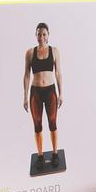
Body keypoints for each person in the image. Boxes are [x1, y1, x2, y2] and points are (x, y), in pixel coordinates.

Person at [23, 23, 63, 169]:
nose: (41, 37)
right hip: (36, 92)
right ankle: (40, 155)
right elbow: (26, 75)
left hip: (50, 91)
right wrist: (25, 96)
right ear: (36, 35)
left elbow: (58, 73)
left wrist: (61, 93)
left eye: (44, 34)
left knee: (52, 122)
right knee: (37, 125)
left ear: (48, 35)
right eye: (39, 34)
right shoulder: (30, 53)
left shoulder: (54, 51)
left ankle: (55, 153)